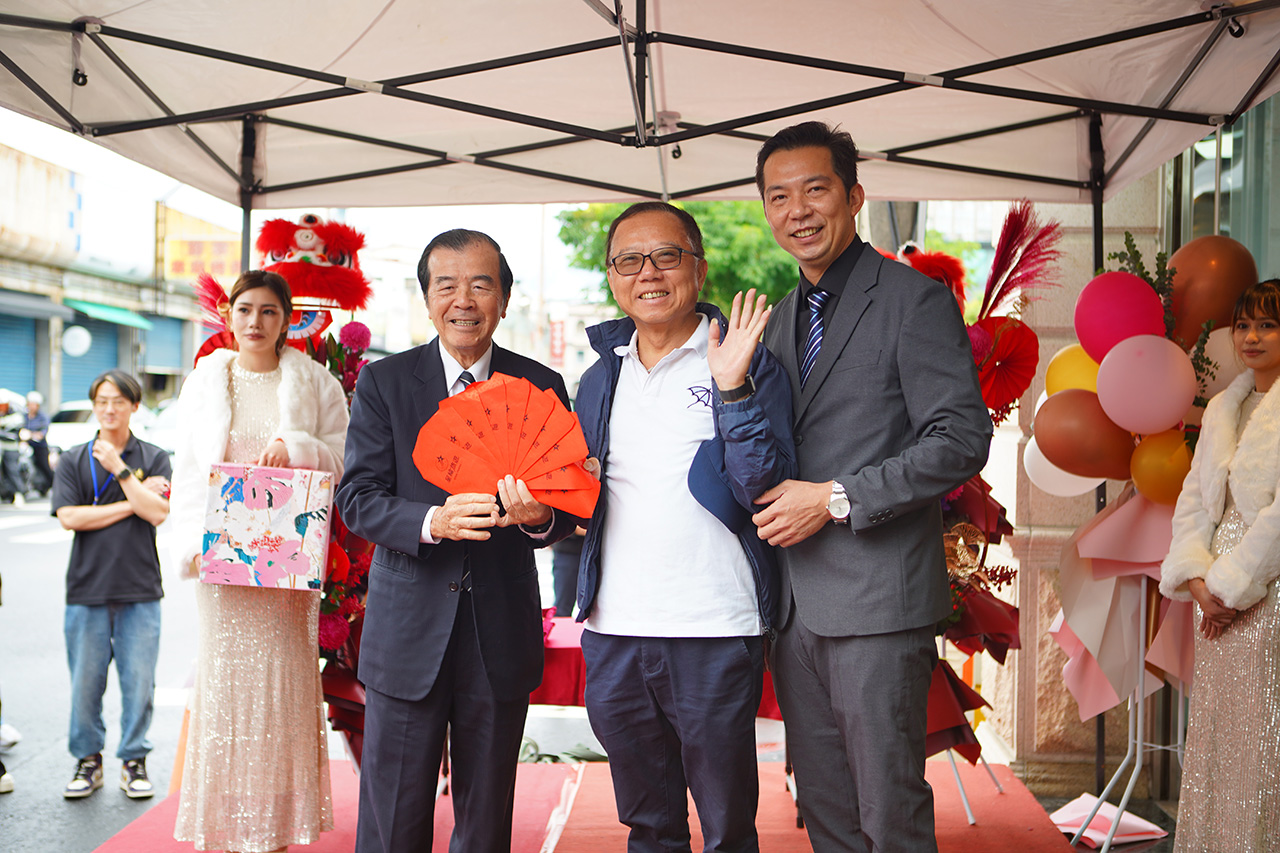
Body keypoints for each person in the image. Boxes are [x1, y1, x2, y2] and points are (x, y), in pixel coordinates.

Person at [751, 121, 992, 853]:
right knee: (825, 811)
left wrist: (834, 497)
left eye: (815, 189)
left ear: (854, 196)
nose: (797, 210)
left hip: (880, 602)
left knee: (889, 813)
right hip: (793, 610)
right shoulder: (777, 321)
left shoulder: (913, 301)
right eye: (778, 196)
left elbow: (960, 440)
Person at [336, 229, 575, 853]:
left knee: (486, 819)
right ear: (427, 298)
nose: (463, 300)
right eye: (446, 285)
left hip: (499, 630)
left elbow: (566, 510)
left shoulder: (541, 384)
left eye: (480, 285)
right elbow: (357, 499)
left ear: (504, 299)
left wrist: (538, 517)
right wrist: (431, 521)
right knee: (393, 817)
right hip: (407, 629)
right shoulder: (385, 382)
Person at [574, 202, 796, 852]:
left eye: (666, 256)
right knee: (648, 825)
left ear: (698, 269)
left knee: (728, 829)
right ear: (612, 277)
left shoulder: (746, 361)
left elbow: (766, 487)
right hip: (615, 631)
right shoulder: (600, 376)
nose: (648, 272)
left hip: (714, 628)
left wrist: (732, 390)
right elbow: (580, 496)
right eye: (629, 260)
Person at [169, 270, 348, 852]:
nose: (255, 322)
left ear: (287, 319)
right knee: (226, 691)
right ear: (228, 314)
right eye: (245, 309)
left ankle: (275, 831)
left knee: (282, 692)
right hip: (223, 567)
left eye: (269, 311)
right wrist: (191, 544)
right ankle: (229, 830)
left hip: (285, 566)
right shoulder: (205, 381)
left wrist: (297, 446)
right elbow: (187, 470)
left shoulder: (315, 381)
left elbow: (346, 459)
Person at [1160, 278, 1280, 852]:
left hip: (1268, 586)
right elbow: (1194, 497)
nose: (1251, 336)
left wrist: (1233, 586)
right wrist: (1196, 576)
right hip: (1214, 590)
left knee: (1264, 736)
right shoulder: (1223, 408)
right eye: (1244, 325)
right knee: (1214, 735)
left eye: (1268, 325)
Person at [51, 369, 171, 800]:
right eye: (102, 401)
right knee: (85, 684)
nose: (109, 409)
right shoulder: (73, 459)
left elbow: (158, 513)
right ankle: (88, 760)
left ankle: (134, 760)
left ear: (135, 406)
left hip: (140, 587)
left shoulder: (153, 456)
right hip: (87, 588)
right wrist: (132, 500)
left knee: (139, 684)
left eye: (118, 401)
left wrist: (121, 471)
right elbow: (70, 517)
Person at [23, 391, 53, 497]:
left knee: (44, 467)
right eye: (29, 404)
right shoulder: (24, 417)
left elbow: (42, 433)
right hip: (27, 447)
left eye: (33, 404)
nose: (31, 406)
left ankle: (52, 485)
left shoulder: (42, 417)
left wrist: (31, 434)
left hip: (40, 447)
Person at [0, 391, 23, 504]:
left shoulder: (16, 415)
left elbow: (13, 433)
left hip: (11, 447)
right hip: (1, 446)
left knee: (12, 471)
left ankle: (18, 494)